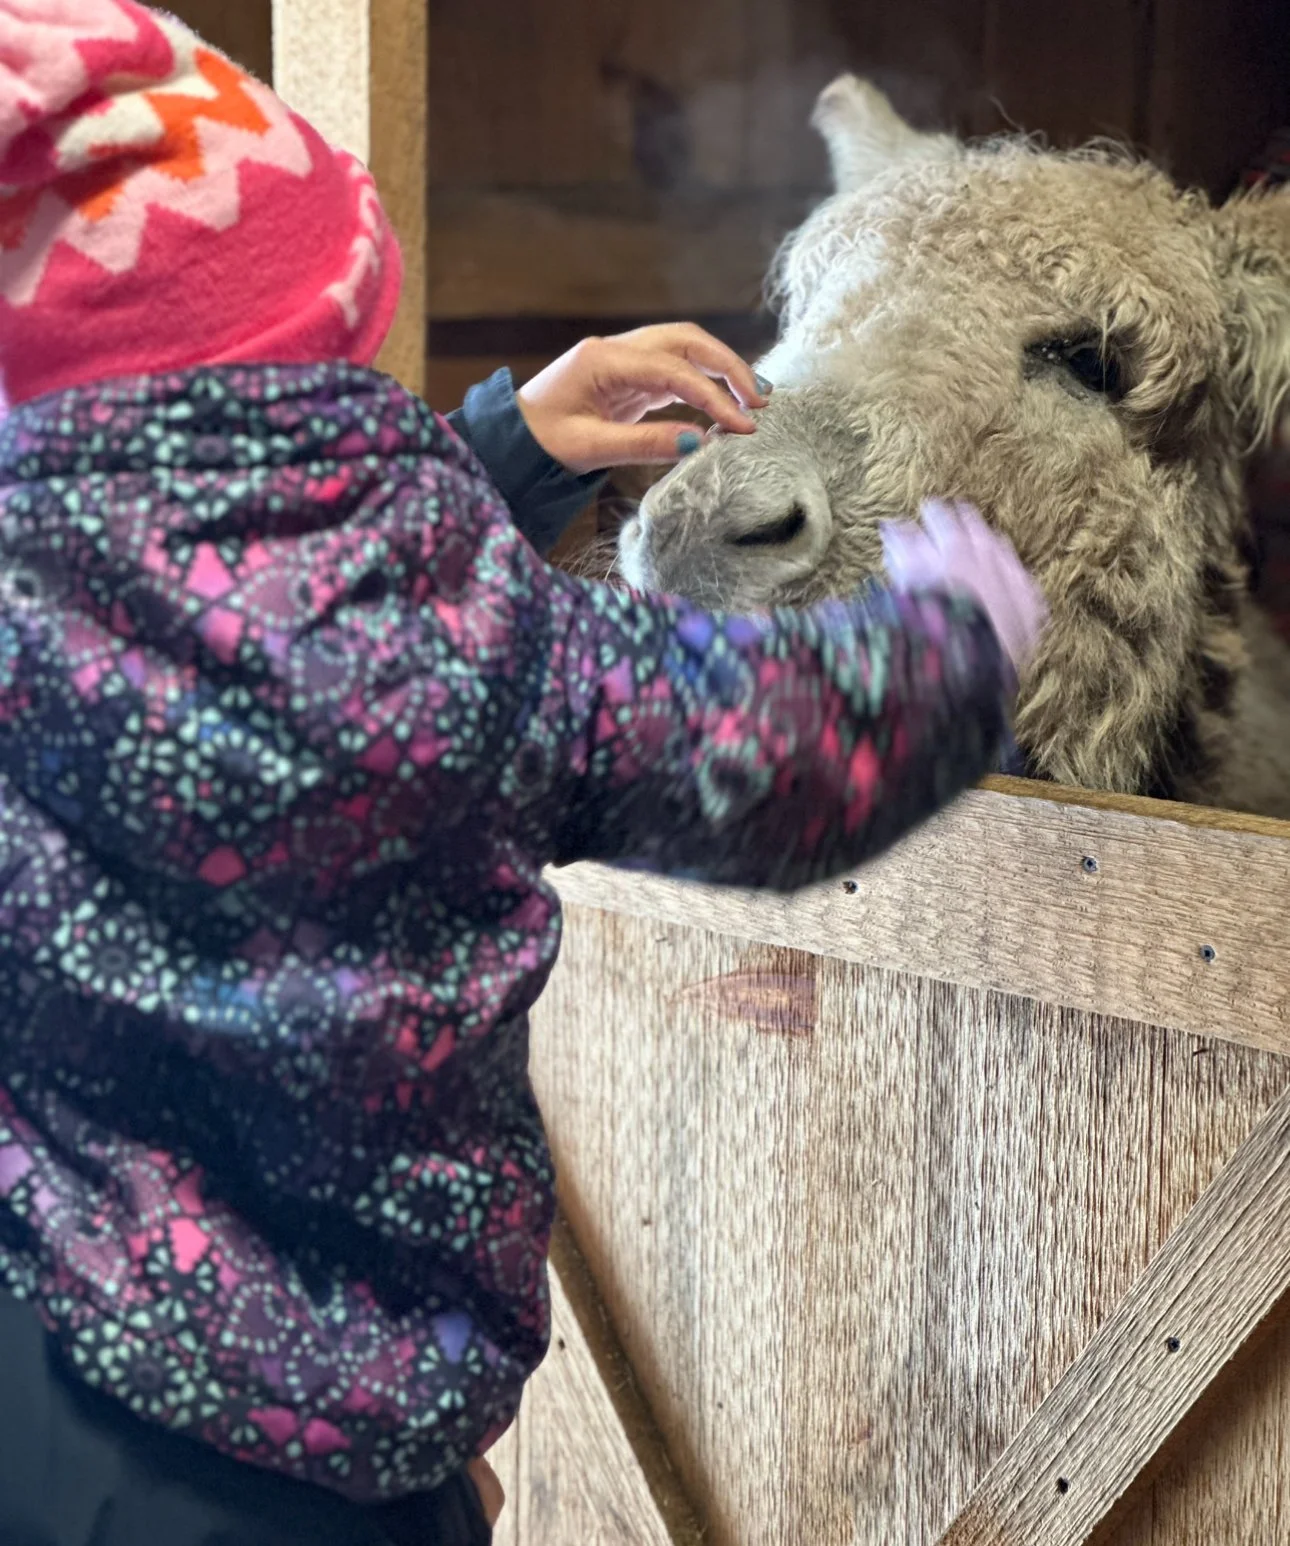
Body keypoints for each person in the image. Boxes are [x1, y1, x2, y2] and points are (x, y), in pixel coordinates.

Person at [0, 3, 1047, 1543]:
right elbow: (772, 746)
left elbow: (225, 592)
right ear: (339, 309)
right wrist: (952, 643)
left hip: (54, 1369)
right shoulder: (474, 638)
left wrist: (503, 446)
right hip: (361, 1432)